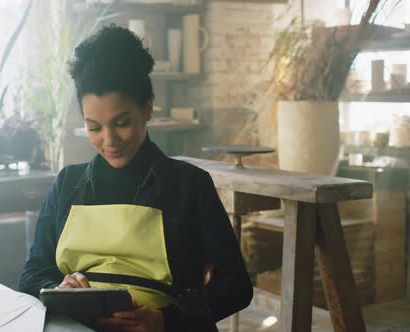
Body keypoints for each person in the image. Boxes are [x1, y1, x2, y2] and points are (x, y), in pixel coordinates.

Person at [20, 25, 252, 331]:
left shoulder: (189, 185)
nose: (109, 140)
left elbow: (236, 285)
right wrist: (60, 287)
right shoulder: (67, 184)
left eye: (122, 122)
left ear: (147, 108)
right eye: (94, 127)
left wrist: (166, 319)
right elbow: (32, 274)